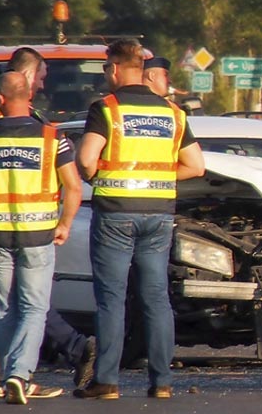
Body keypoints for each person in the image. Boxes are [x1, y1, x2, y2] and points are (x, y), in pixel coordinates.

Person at [74, 39, 205, 400]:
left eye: (105, 69)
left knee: (112, 299)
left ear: (114, 69)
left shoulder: (107, 109)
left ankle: (107, 381)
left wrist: (98, 176)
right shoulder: (173, 113)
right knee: (156, 298)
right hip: (159, 214)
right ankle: (162, 382)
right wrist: (158, 177)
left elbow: (86, 160)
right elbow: (196, 165)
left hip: (116, 213)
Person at [0, 48, 96, 395]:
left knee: (1, 310)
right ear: (28, 93)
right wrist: (65, 224)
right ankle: (20, 375)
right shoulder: (51, 138)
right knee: (33, 308)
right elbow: (73, 187)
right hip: (37, 236)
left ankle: (3, 376)